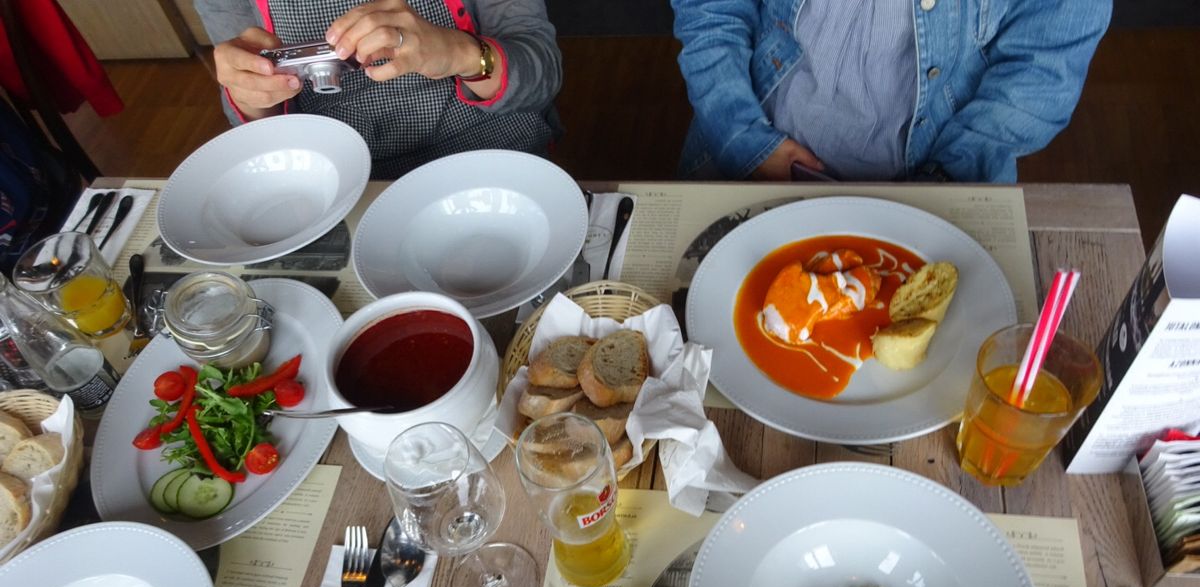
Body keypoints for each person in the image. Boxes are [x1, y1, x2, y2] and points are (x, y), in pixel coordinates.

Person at [670, 0, 1112, 182]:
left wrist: (943, 179)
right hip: (752, 158)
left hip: (943, 184)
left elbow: (1042, 68)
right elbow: (713, 13)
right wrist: (745, 142)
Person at [195, 0, 562, 178]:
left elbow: (543, 75)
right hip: (333, 178)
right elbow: (253, 124)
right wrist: (252, 94)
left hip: (492, 152)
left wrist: (459, 52)